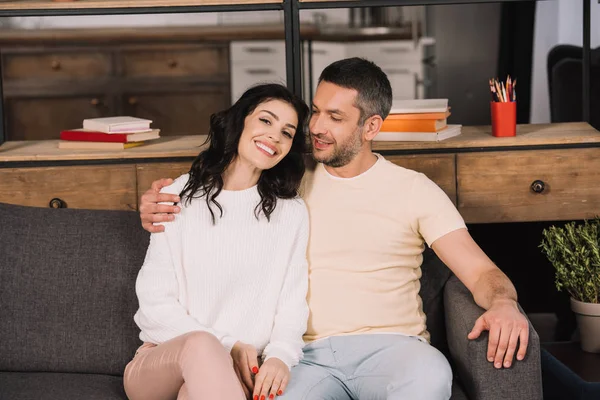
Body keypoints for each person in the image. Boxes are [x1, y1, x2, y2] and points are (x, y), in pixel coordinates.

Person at [138, 58, 530, 400]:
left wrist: (503, 303)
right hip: (303, 358)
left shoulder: (415, 190)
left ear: (371, 126)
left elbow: (481, 272)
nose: (317, 128)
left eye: (336, 118)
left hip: (394, 350)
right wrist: (160, 198)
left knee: (429, 380)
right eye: (317, 112)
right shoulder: (286, 179)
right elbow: (223, 189)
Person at [124, 83, 311, 400]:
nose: (274, 137)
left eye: (287, 132)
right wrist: (228, 345)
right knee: (201, 345)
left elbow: (292, 304)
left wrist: (280, 356)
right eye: (266, 121)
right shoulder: (177, 196)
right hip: (160, 364)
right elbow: (154, 305)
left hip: (235, 376)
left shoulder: (291, 213)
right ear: (241, 120)